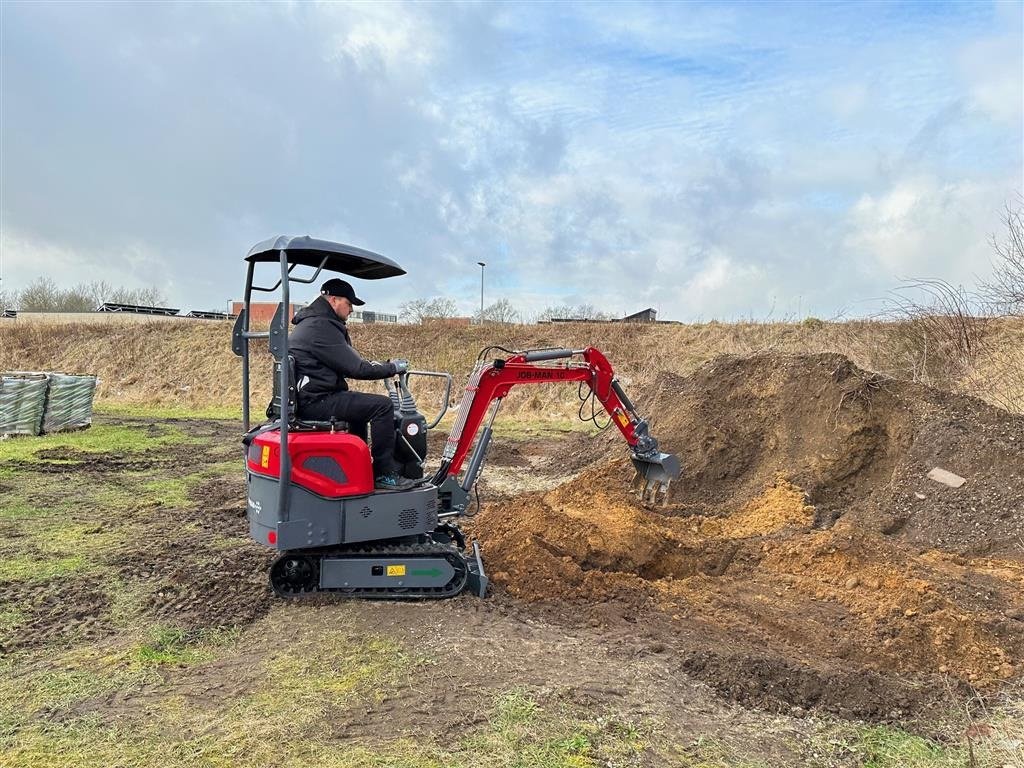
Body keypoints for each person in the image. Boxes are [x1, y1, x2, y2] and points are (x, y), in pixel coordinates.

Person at [289, 278, 414, 491]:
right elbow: (357, 369)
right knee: (382, 406)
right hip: (316, 400)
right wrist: (393, 368)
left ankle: (358, 468)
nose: (352, 309)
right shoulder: (321, 327)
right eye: (349, 303)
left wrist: (380, 366)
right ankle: (385, 474)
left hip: (310, 395)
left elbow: (349, 361)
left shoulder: (313, 323)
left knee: (360, 409)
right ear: (334, 299)